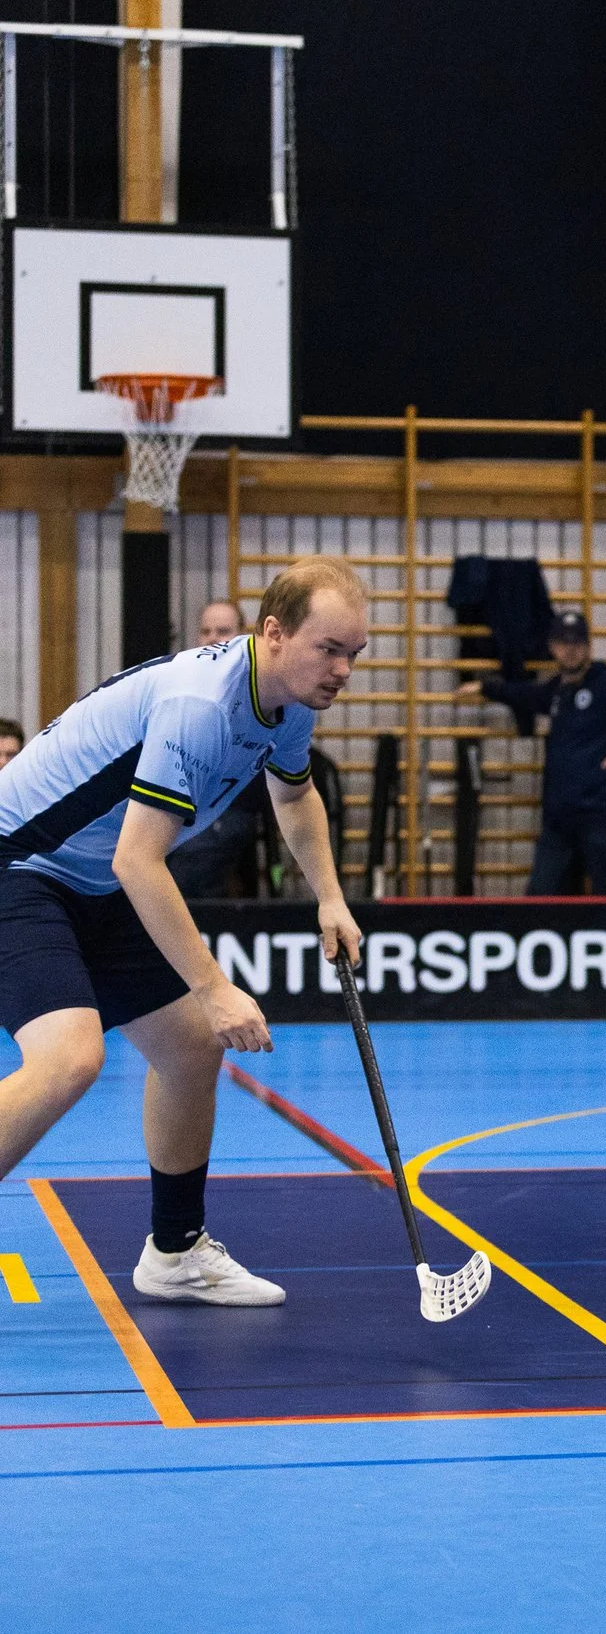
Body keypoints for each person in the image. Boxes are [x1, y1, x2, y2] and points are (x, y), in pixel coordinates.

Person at [0, 556, 367, 1305]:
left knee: (192, 1046)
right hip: (20, 864)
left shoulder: (289, 701)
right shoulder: (201, 707)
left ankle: (174, 1251)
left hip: (92, 876)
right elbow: (140, 860)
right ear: (273, 633)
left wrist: (329, 897)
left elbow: (294, 795)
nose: (342, 671)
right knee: (70, 1058)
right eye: (329, 649)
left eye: (354, 654)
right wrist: (215, 986)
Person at [458, 610, 606, 895]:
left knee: (605, 894)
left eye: (577, 643)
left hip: (602, 812)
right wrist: (487, 687)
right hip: (560, 816)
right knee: (541, 895)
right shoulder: (557, 691)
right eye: (563, 643)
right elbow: (525, 694)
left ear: (588, 646)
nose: (570, 650)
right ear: (552, 647)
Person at [168, 601, 272, 899]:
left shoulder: (257, 686)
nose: (212, 638)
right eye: (206, 631)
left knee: (187, 869)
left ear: (244, 636)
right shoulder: (180, 683)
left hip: (232, 806)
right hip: (182, 805)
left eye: (223, 631)